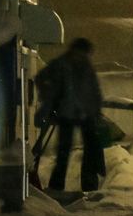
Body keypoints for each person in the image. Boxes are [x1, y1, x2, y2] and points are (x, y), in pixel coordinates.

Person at [35, 37, 106, 193]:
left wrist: (96, 107)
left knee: (76, 151)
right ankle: (62, 185)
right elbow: (41, 79)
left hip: (81, 113)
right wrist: (50, 96)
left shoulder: (81, 65)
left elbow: (94, 89)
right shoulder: (61, 64)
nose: (84, 56)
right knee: (67, 152)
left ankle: (76, 185)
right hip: (68, 113)